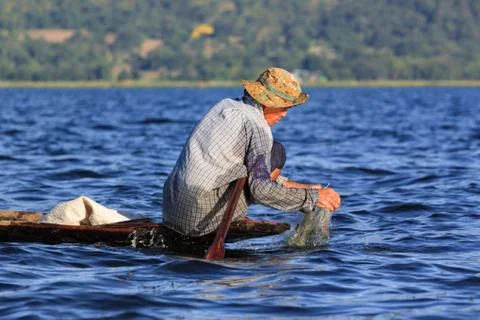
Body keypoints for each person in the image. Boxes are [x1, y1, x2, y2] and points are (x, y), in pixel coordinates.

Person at [162, 67, 341, 237]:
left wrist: (304, 189)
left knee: (268, 157)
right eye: (284, 107)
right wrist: (313, 198)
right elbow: (260, 190)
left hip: (171, 211)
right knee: (277, 152)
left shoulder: (225, 106)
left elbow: (243, 169)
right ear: (268, 103)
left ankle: (297, 195)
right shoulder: (258, 128)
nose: (285, 114)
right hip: (202, 220)